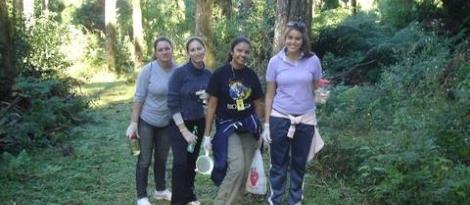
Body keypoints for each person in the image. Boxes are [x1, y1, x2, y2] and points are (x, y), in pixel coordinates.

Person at [263, 21, 323, 205]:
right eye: (290, 37)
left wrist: (322, 97)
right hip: (280, 118)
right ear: (285, 38)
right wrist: (266, 124)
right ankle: (275, 199)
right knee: (278, 163)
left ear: (303, 40)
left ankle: (295, 200)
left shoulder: (313, 61)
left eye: (297, 38)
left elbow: (317, 89)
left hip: (305, 119)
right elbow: (270, 94)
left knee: (299, 162)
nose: (293, 42)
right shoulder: (275, 62)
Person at [203, 36, 264, 205]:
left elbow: (258, 103)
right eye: (239, 50)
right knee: (237, 168)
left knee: (245, 170)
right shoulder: (220, 74)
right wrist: (207, 136)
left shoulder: (251, 75)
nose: (243, 54)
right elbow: (212, 105)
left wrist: (261, 128)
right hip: (227, 126)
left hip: (249, 125)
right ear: (232, 52)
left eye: (246, 52)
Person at [126, 37, 177, 205]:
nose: (164, 52)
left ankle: (160, 190)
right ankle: (141, 196)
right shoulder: (147, 70)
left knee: (162, 158)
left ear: (172, 49)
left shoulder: (178, 70)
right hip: (147, 121)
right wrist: (134, 123)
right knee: (145, 159)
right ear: (155, 52)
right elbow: (139, 98)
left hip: (167, 122)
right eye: (160, 49)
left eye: (167, 48)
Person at [167, 37, 211, 205]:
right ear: (188, 53)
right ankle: (177, 201)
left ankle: (189, 194)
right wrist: (184, 131)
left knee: (192, 160)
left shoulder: (209, 74)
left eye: (199, 48)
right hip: (179, 123)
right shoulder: (180, 73)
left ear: (204, 49)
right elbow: (172, 103)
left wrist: (209, 96)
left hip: (198, 123)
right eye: (192, 50)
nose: (196, 52)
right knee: (180, 161)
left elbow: (213, 101)